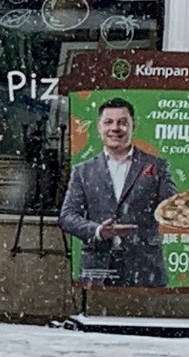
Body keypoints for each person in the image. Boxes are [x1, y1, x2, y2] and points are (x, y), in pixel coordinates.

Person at [59, 97, 177, 288]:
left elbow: (173, 209)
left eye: (123, 122)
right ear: (99, 127)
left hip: (145, 269)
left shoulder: (157, 166)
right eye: (109, 122)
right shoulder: (83, 170)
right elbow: (67, 216)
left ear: (133, 126)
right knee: (96, 318)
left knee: (147, 318)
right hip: (97, 269)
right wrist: (98, 231)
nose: (115, 128)